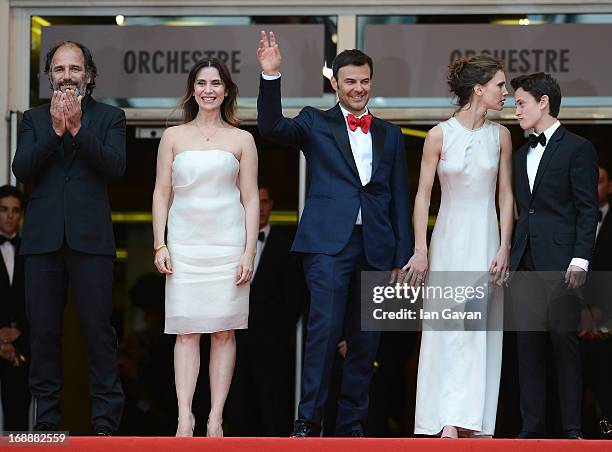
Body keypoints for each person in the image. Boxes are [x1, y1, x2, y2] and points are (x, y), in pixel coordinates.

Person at [257, 31, 413, 437]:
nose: (358, 88)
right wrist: (271, 76)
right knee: (324, 332)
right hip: (327, 246)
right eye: (350, 81)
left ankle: (351, 426)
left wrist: (403, 254)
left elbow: (399, 196)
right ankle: (308, 421)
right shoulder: (314, 121)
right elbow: (271, 125)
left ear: (371, 83)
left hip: (377, 248)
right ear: (336, 84)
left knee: (366, 343)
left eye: (364, 81)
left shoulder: (391, 135)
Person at [12, 40, 125, 434]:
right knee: (43, 334)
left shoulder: (111, 117)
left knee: (98, 334)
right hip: (42, 243)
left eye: (75, 69)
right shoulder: (33, 118)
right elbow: (21, 169)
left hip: (91, 242)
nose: (67, 76)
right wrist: (55, 131)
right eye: (59, 69)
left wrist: (76, 129)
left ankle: (105, 426)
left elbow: (115, 167)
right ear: (49, 77)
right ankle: (46, 424)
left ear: (89, 76)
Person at [152, 57, 258, 437]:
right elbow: (161, 193)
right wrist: (159, 243)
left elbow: (250, 198)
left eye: (216, 83)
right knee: (186, 331)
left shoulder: (242, 138)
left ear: (226, 90)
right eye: (201, 83)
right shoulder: (173, 136)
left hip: (227, 244)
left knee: (224, 332)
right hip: (184, 244)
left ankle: (215, 416)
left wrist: (249, 252)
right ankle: (185, 416)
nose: (208, 89)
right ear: (192, 90)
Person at [408, 55, 514, 438]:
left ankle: (474, 421)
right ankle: (446, 419)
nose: (507, 92)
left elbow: (505, 197)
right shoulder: (439, 135)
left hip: (485, 238)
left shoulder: (501, 136)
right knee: (447, 328)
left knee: (478, 329)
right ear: (479, 89)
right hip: (449, 238)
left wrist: (505, 246)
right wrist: (421, 249)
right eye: (500, 85)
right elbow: (422, 196)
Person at [509, 72, 599, 439]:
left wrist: (581, 260)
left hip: (563, 265)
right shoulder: (518, 154)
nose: (515, 111)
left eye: (520, 103)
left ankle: (573, 430)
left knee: (564, 345)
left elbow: (587, 208)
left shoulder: (578, 148)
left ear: (543, 101)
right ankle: (531, 429)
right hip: (525, 262)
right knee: (527, 348)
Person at [226, 186, 305, 436]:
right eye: (255, 201)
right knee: (235, 409)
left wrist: (279, 334)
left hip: (272, 346)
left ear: (272, 205)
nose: (260, 208)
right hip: (232, 343)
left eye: (265, 201)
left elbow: (296, 296)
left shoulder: (287, 246)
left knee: (272, 410)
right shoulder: (229, 243)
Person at [578, 159, 612, 439]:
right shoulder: (570, 219)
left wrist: (600, 312)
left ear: (609, 186)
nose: (593, 186)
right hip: (573, 324)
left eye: (599, 180)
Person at [0, 185, 29, 431]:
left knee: (17, 419)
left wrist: (20, 332)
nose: (10, 216)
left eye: (15, 210)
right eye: (4, 210)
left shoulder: (31, 253)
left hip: (21, 347)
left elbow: (41, 300)